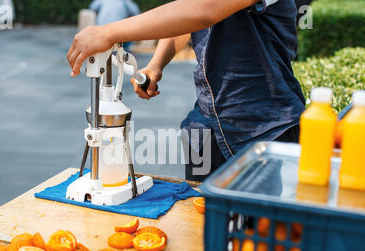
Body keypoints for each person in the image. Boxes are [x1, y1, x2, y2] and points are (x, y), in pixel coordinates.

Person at [67, 0, 306, 182]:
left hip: (267, 128)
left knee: (260, 234)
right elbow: (185, 16)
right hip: (207, 125)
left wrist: (108, 32)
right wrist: (155, 65)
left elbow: (204, 11)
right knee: (201, 227)